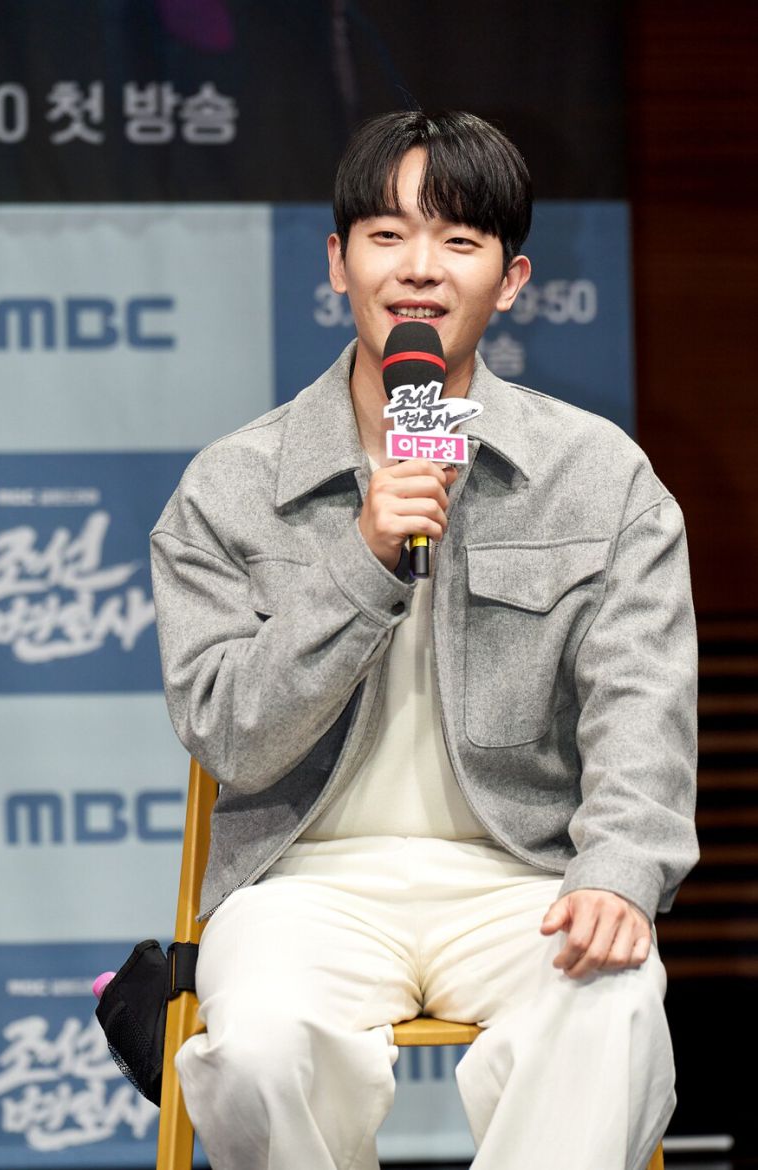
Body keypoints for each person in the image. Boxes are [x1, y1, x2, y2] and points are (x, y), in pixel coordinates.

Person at [150, 110, 698, 1170]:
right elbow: (230, 736)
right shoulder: (231, 487)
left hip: (526, 876)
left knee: (617, 1007)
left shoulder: (601, 477)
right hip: (301, 883)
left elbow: (644, 703)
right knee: (254, 1051)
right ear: (338, 263)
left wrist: (620, 872)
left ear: (512, 279)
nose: (419, 268)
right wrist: (362, 558)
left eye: (458, 240)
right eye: (388, 235)